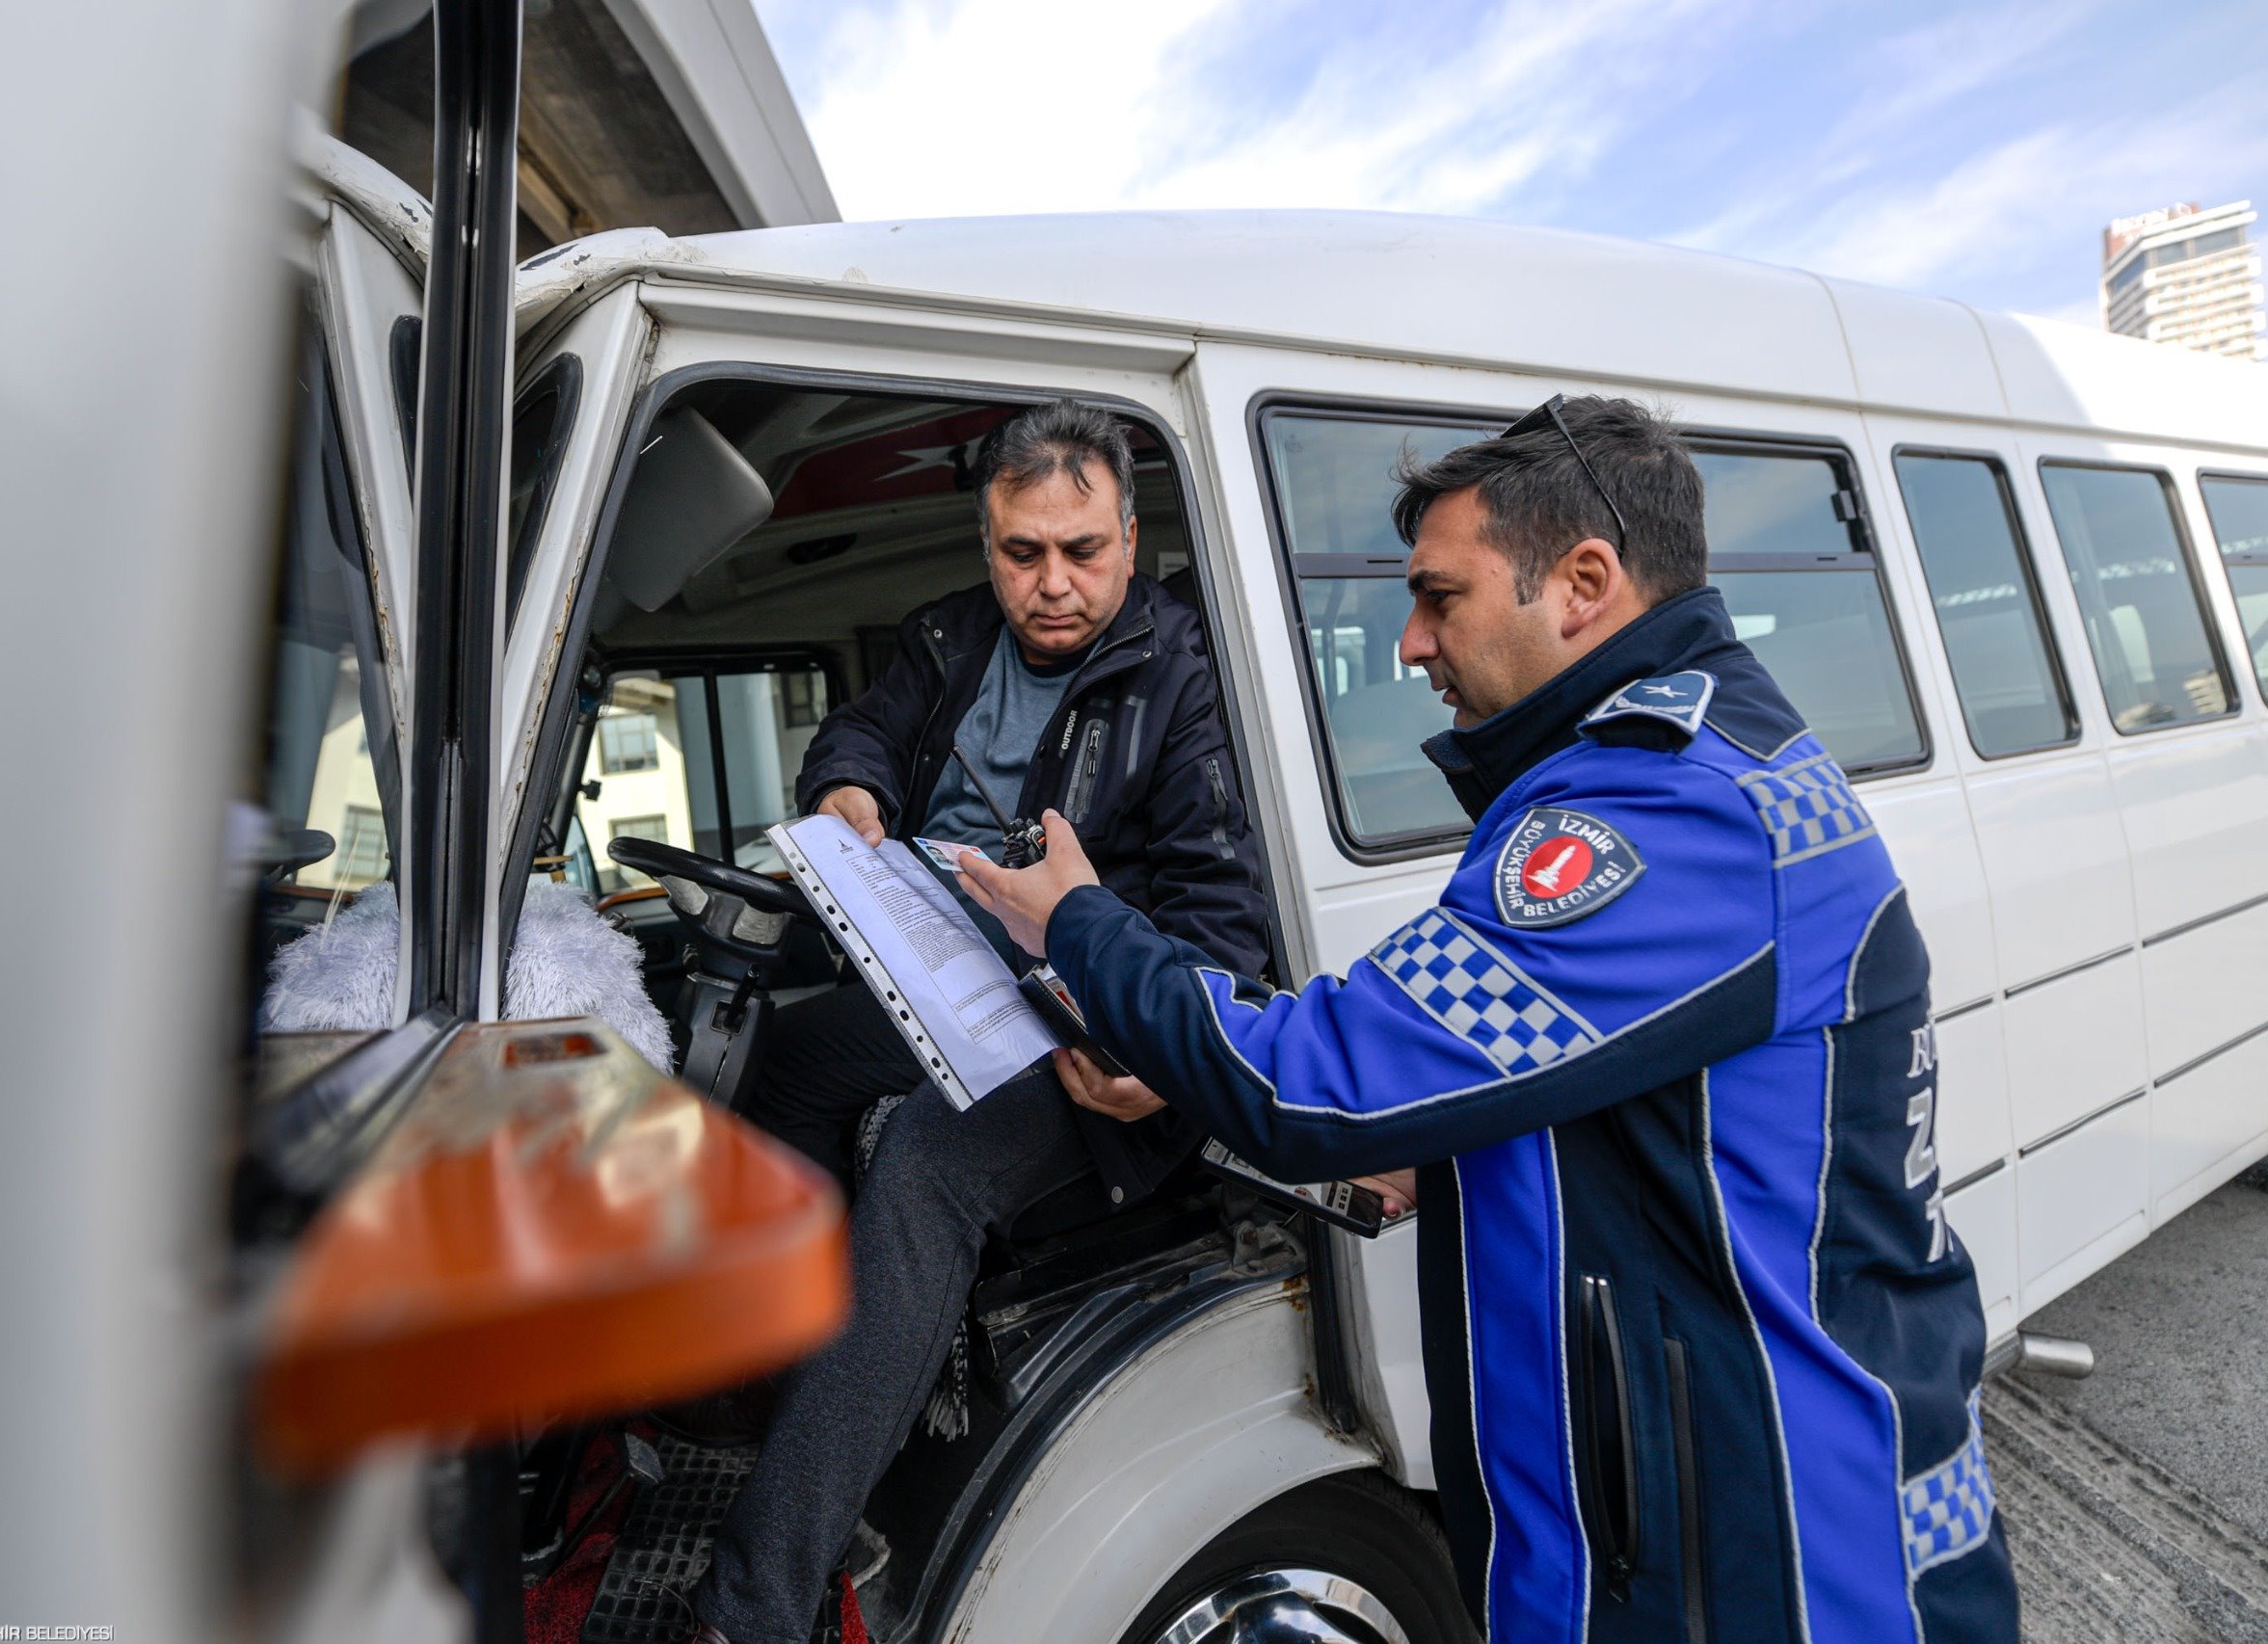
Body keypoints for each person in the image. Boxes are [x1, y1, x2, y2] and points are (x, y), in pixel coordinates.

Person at [959, 396, 2019, 1642]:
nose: (1409, 642)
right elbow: (1598, 1096)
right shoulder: (1692, 766)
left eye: (1440, 597)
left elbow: (1323, 1079)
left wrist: (1080, 921)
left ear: (1580, 583)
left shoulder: (1665, 812)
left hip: (1765, 1570)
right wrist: (1437, 1137)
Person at [683, 399, 1269, 1644]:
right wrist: (851, 782)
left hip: (1098, 1037)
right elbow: (861, 728)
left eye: (1084, 550)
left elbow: (1226, 935)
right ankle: (810, 1416)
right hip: (942, 975)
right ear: (986, 537)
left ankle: (758, 1604)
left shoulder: (1182, 683)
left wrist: (1164, 1065)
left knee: (927, 1163)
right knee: (781, 1066)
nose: (1051, 584)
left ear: (1128, 534)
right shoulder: (951, 635)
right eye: (1020, 552)